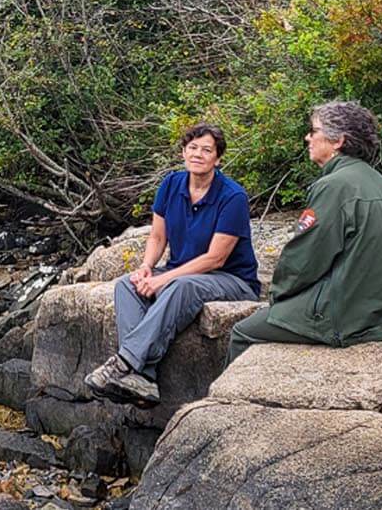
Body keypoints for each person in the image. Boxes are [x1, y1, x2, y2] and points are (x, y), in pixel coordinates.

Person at [85, 123, 260, 403]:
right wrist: (146, 267)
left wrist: (163, 279)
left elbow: (216, 257)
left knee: (179, 286)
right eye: (193, 148)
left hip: (231, 279)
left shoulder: (232, 196)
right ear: (183, 152)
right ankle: (143, 378)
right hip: (183, 271)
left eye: (207, 150)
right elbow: (157, 236)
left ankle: (124, 364)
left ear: (218, 158)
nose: (198, 154)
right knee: (126, 286)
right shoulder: (171, 185)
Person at [227, 101, 382, 365]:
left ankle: (231, 405)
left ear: (338, 141)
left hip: (345, 316)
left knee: (242, 332)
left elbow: (306, 257)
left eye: (314, 130)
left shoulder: (333, 186)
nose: (308, 137)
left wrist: (278, 296)